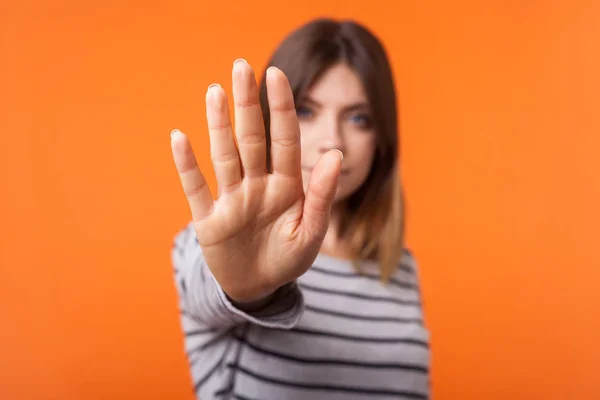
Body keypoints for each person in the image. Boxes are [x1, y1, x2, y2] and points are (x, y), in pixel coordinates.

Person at [170, 17, 430, 400]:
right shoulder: (213, 244)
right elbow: (213, 283)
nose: (332, 140)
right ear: (268, 120)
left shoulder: (401, 268)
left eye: (359, 118)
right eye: (306, 111)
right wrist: (249, 287)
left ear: (382, 139)